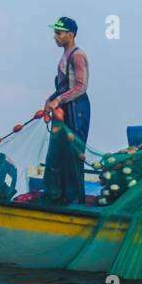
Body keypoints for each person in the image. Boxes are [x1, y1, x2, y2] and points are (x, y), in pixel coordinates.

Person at [42, 16, 90, 205]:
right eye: (55, 33)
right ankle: (55, 196)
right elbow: (62, 87)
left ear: (71, 34)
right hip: (63, 110)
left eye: (59, 33)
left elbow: (81, 86)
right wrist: (51, 99)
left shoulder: (77, 55)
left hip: (76, 110)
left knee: (72, 154)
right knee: (56, 153)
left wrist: (59, 99)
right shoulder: (64, 55)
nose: (55, 37)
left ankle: (74, 201)